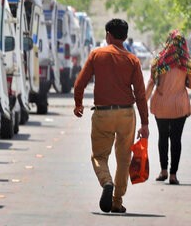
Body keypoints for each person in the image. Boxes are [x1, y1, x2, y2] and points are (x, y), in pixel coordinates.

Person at [73, 18, 149, 214]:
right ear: (124, 36)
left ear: (108, 35)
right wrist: (145, 123)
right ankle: (117, 200)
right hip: (126, 114)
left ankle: (107, 182)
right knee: (124, 158)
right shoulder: (132, 60)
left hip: (103, 113)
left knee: (99, 155)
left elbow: (79, 83)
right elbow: (140, 95)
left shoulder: (97, 55)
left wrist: (79, 104)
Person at [145, 30, 189, 185]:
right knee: (176, 140)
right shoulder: (186, 63)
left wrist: (142, 101)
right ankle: (173, 175)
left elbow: (151, 83)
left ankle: (163, 171)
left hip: (161, 105)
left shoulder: (159, 61)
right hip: (179, 106)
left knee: (163, 137)